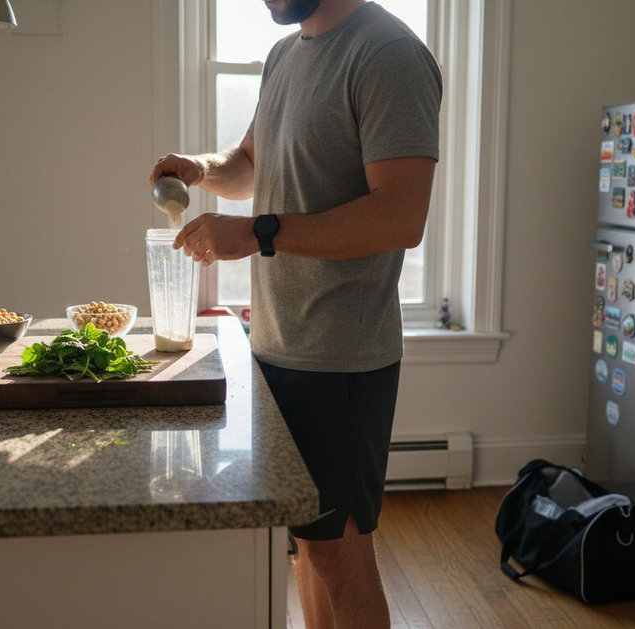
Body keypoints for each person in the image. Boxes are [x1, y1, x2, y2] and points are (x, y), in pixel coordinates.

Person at [148, 0, 440, 626]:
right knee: (309, 543)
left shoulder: (387, 55)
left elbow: (401, 217)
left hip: (342, 355)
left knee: (339, 550)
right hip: (277, 342)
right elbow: (254, 162)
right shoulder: (286, 54)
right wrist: (200, 169)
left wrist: (257, 233)